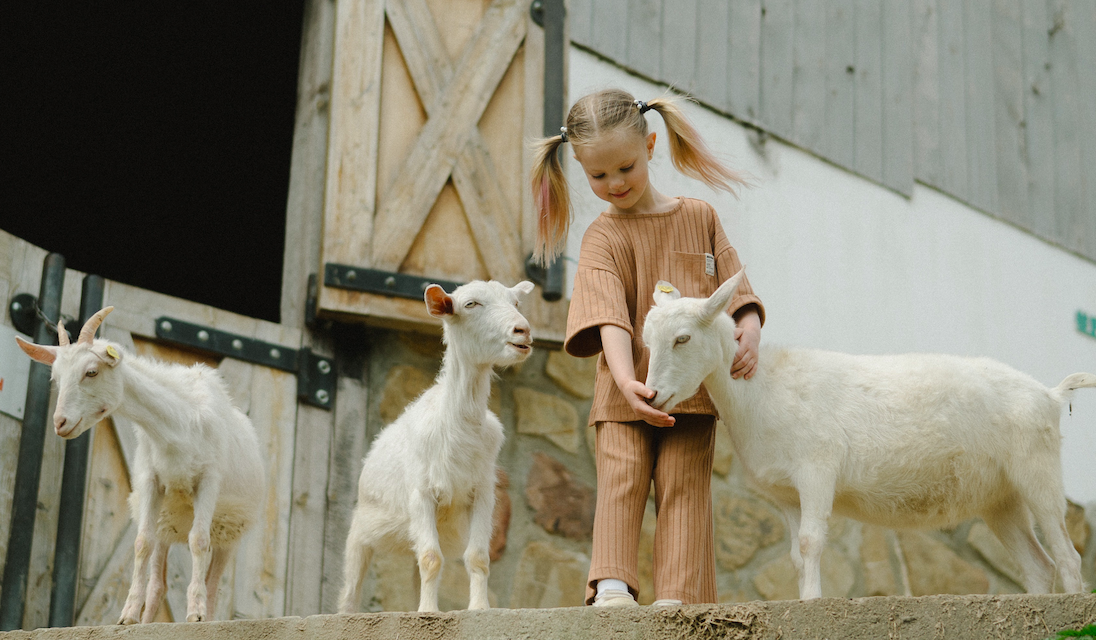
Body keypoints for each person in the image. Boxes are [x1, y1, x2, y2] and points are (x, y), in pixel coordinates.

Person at [529, 88, 765, 606]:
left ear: (652, 146)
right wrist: (624, 380)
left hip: (691, 393)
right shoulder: (601, 237)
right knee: (622, 475)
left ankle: (677, 599)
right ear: (581, 170)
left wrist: (748, 325)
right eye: (598, 176)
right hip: (623, 393)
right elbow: (608, 315)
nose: (613, 184)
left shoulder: (699, 217)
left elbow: (735, 283)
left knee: (685, 486)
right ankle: (612, 586)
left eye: (625, 168)